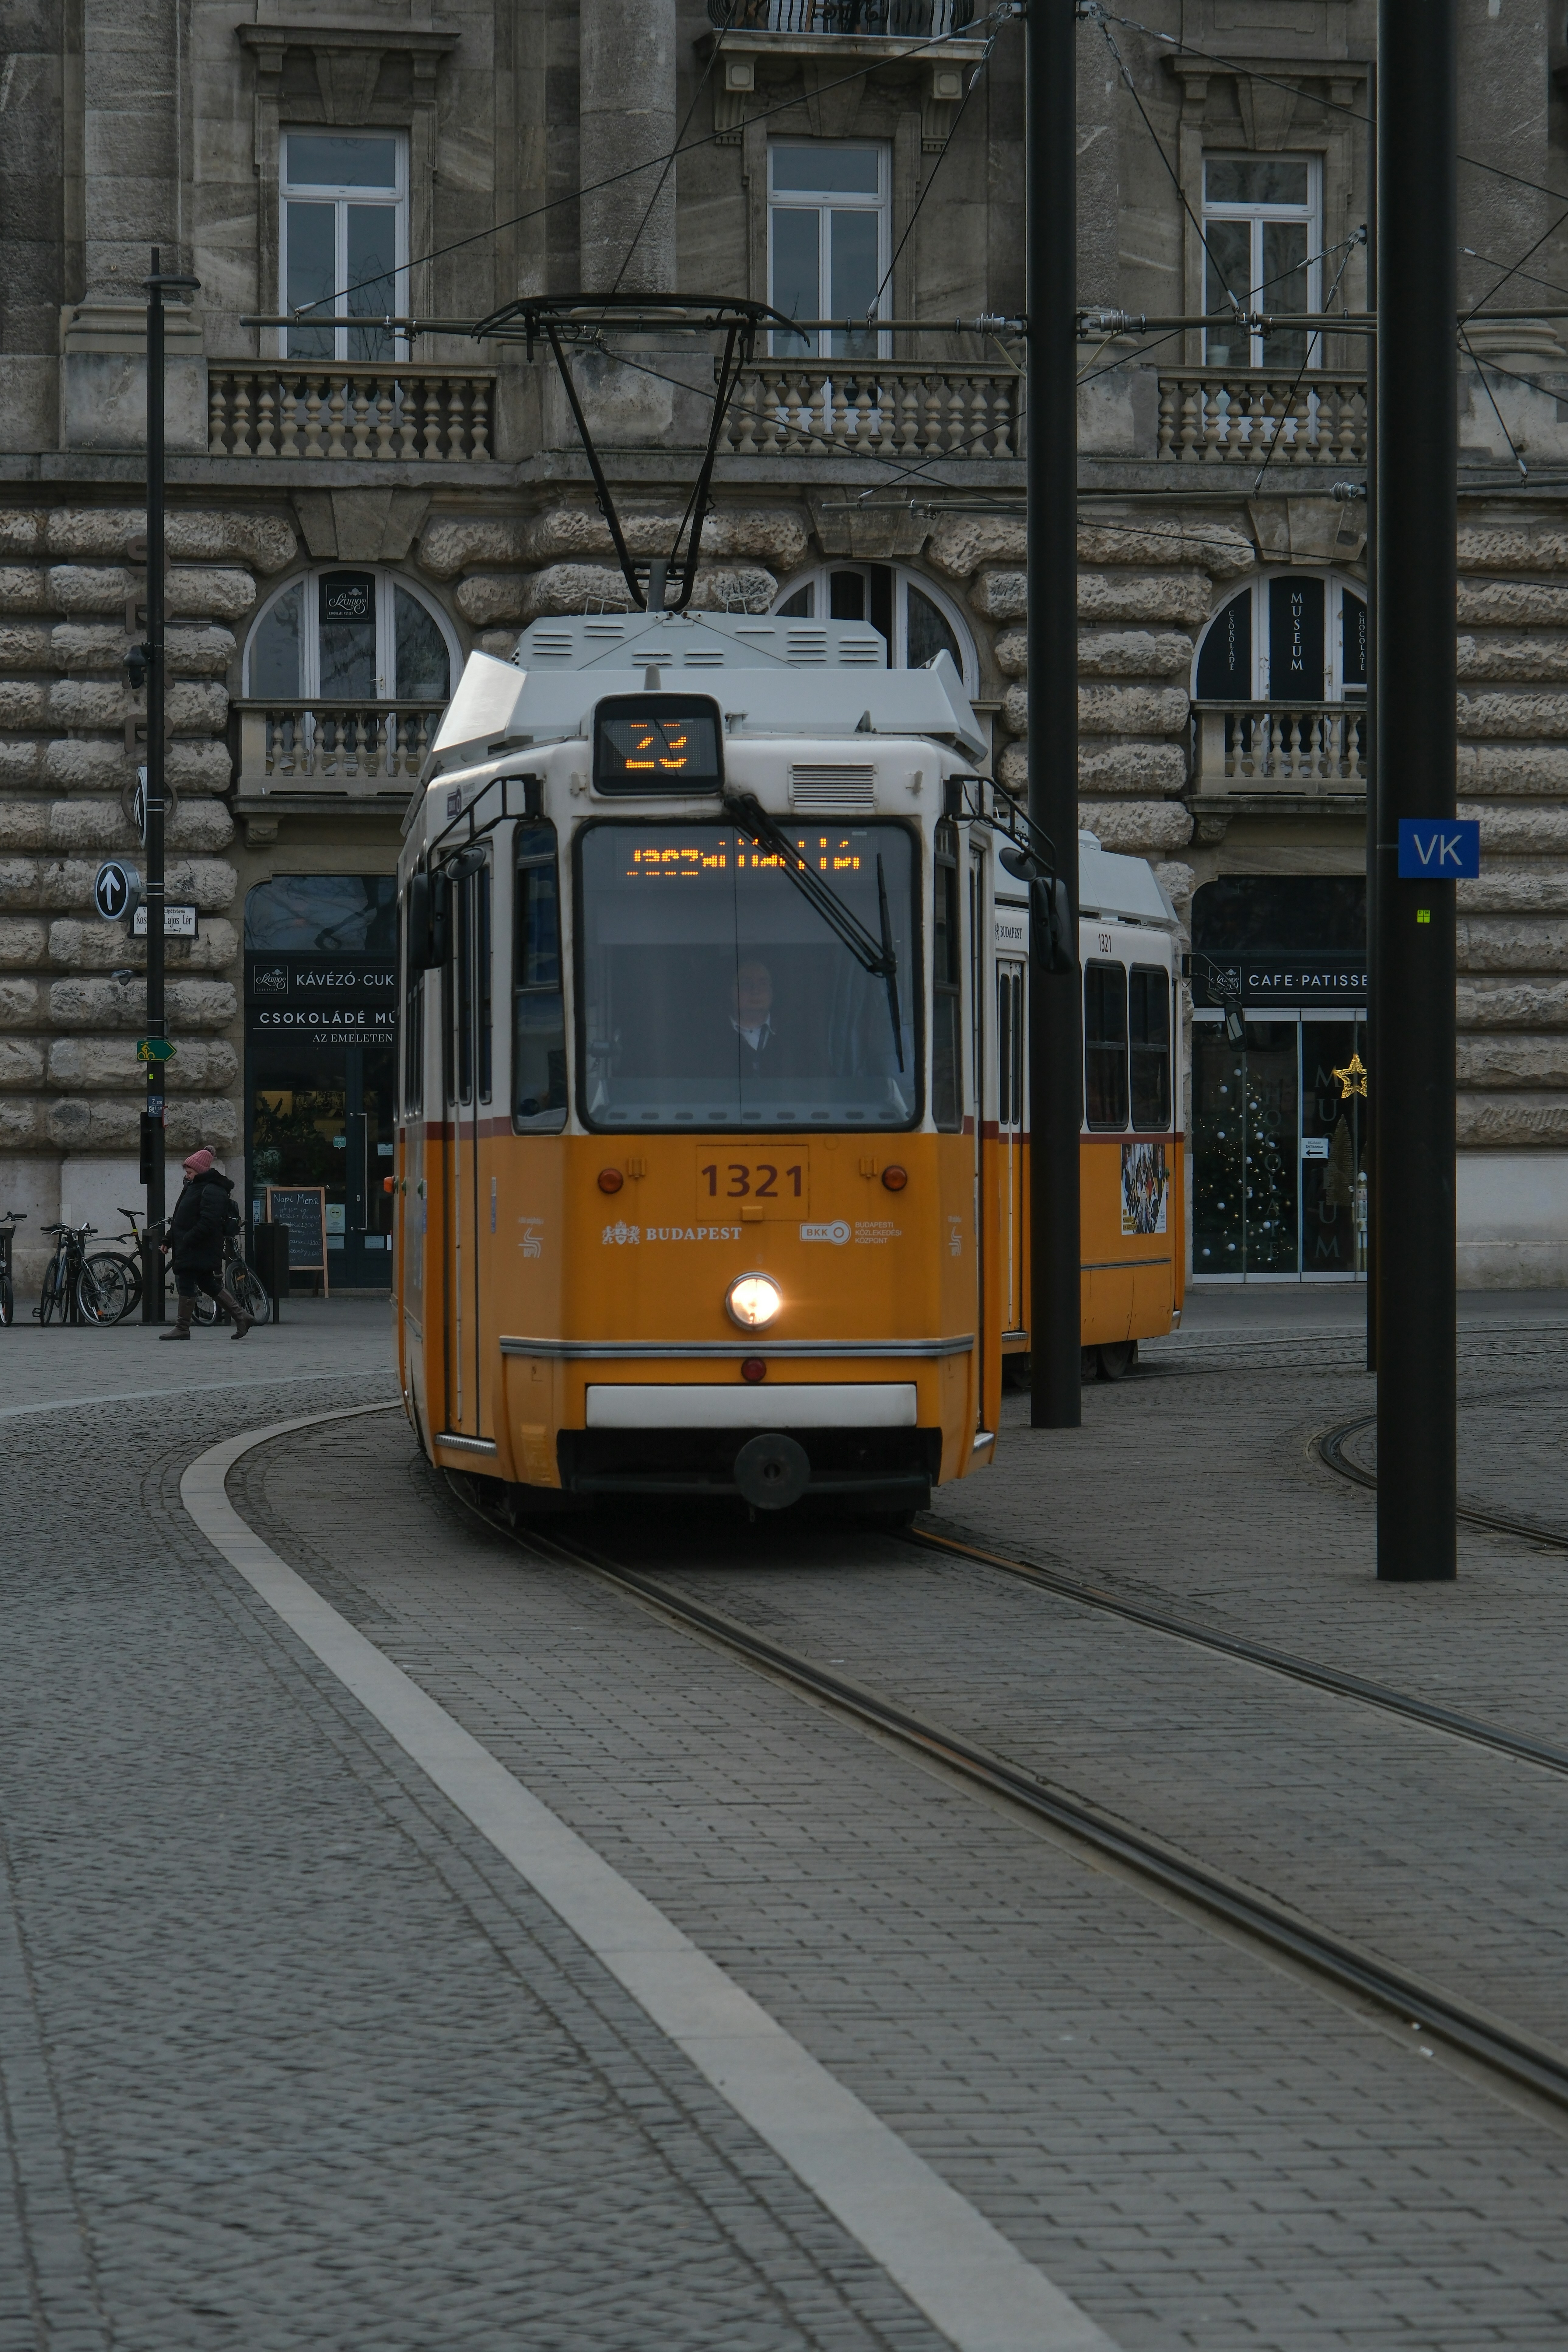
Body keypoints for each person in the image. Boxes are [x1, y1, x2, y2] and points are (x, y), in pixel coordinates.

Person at [159, 1148, 254, 1340]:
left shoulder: (212, 1189)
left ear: (201, 1171)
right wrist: (169, 1239)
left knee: (186, 1283)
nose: (187, 1176)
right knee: (207, 1283)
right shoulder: (193, 1187)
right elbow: (180, 1219)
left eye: (190, 1172)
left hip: (199, 1247)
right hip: (193, 1246)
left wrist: (187, 1239)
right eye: (186, 1172)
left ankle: (182, 1328)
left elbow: (209, 1222)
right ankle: (242, 1316)